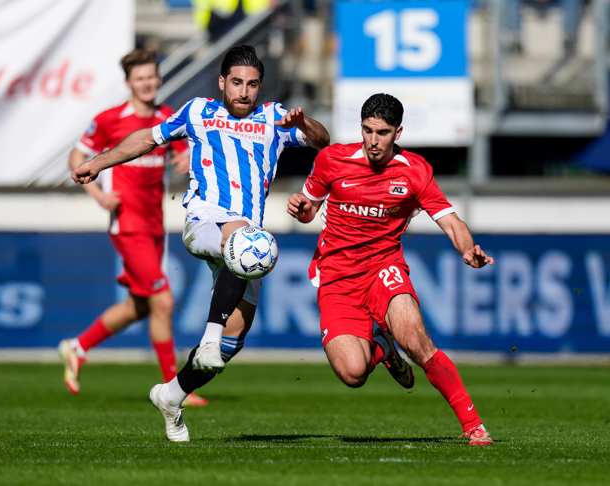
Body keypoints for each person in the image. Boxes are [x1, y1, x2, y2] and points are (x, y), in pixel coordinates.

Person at [71, 45, 330, 441]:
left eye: (252, 85)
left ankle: (171, 396)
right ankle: (208, 338)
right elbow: (146, 139)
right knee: (243, 243)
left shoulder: (273, 117)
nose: (244, 92)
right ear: (222, 82)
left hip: (245, 239)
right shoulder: (198, 111)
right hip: (205, 221)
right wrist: (98, 161)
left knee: (230, 345)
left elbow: (322, 140)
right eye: (237, 83)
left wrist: (304, 122)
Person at [286, 93, 494, 446]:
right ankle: (383, 349)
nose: (373, 140)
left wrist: (467, 248)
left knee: (416, 342)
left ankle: (473, 425)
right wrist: (299, 208)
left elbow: (451, 221)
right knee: (353, 373)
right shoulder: (331, 159)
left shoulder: (414, 170)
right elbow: (310, 211)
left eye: (382, 133)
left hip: (384, 269)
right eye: (367, 130)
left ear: (398, 132)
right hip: (336, 277)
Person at [59, 49, 207, 407]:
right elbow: (76, 158)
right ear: (128, 83)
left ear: (159, 78)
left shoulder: (167, 117)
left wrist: (185, 157)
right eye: (140, 78)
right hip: (128, 223)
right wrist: (98, 195)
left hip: (155, 224)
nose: (147, 83)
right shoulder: (110, 119)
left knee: (139, 306)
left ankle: (77, 347)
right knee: (164, 301)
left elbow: (182, 153)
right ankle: (176, 388)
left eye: (151, 76)